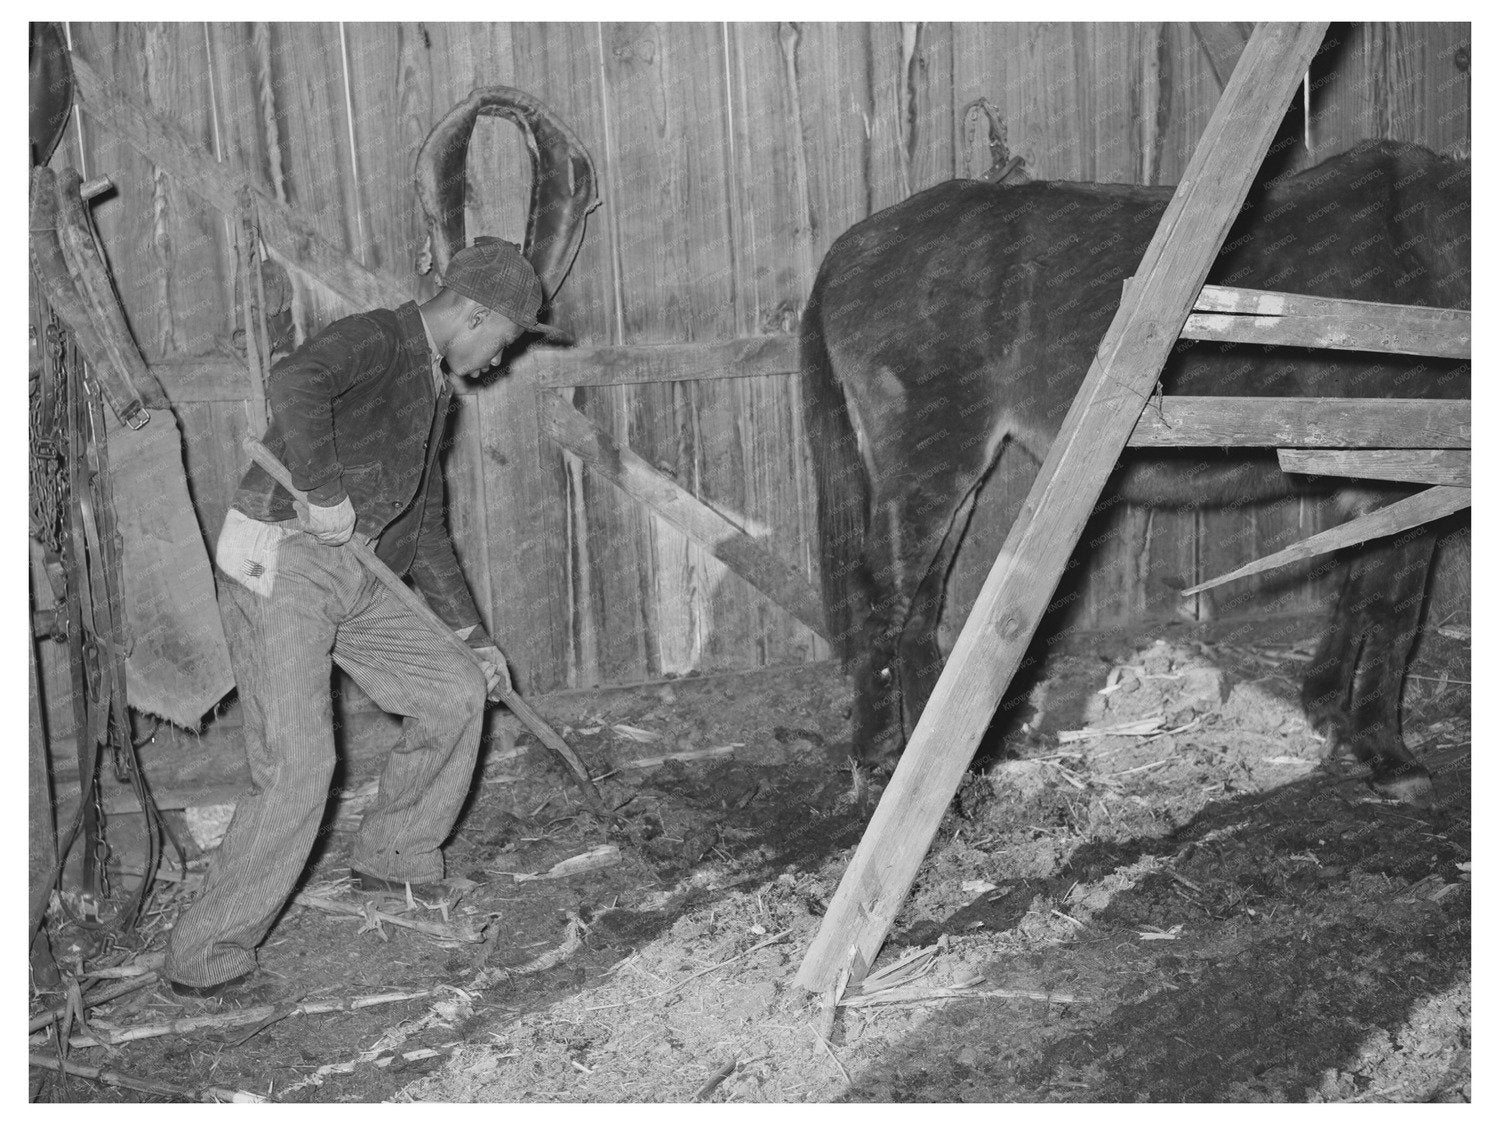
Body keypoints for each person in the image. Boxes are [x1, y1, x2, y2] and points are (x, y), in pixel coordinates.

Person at [164, 239, 563, 999]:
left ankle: (395, 854)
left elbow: (429, 525)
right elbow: (296, 378)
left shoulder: (433, 390)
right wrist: (318, 487)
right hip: (284, 555)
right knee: (299, 766)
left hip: (357, 565)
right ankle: (202, 956)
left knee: (451, 687)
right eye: (501, 343)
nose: (494, 363)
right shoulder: (383, 338)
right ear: (475, 313)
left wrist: (473, 636)